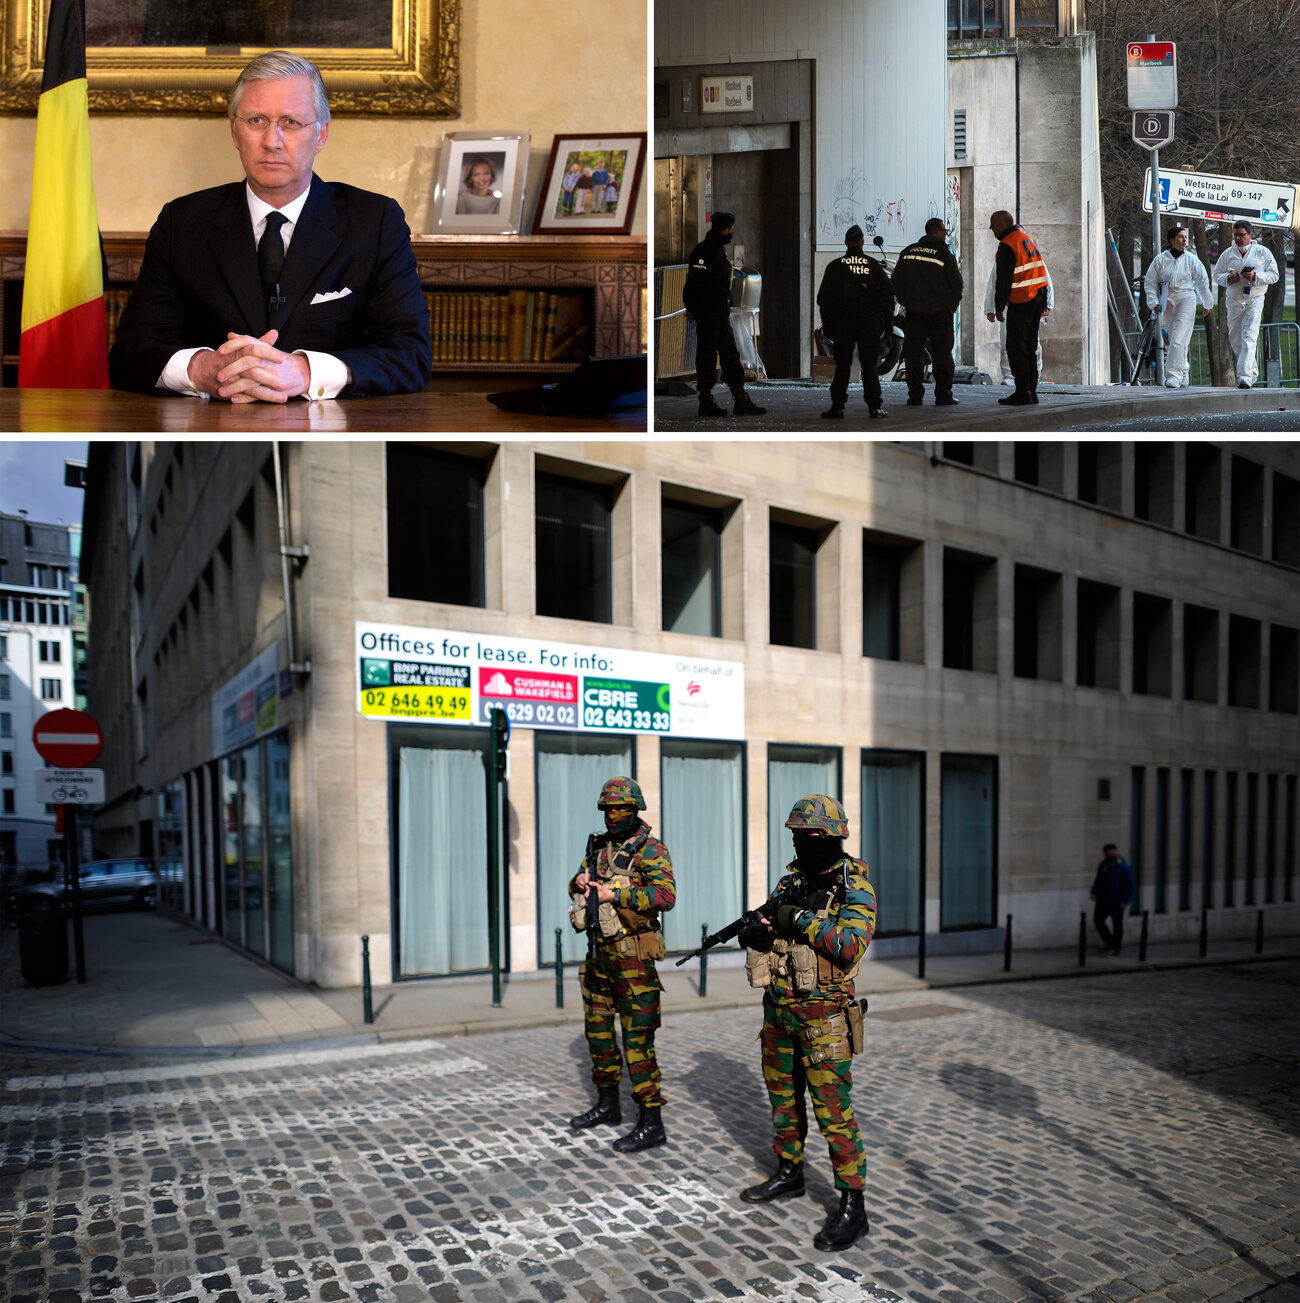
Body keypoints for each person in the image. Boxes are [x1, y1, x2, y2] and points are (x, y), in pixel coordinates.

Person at [108, 50, 431, 402]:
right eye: (256, 121)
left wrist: (305, 373)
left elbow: (409, 356)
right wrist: (203, 369)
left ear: (321, 135)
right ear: (235, 131)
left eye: (291, 122)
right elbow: (130, 355)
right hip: (210, 427)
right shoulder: (182, 223)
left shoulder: (376, 223)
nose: (272, 141)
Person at [738, 795, 876, 1253]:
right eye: (796, 835)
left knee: (833, 1113)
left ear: (834, 837)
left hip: (825, 1017)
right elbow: (767, 921)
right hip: (778, 1009)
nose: (801, 843)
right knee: (783, 1099)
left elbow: (850, 945)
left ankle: (853, 1206)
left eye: (810, 836)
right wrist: (756, 930)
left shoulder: (855, 886)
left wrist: (797, 917)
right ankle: (789, 1172)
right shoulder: (792, 879)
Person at [568, 776, 675, 1153]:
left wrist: (618, 893)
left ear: (634, 811)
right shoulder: (598, 847)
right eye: (608, 810)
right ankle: (607, 1105)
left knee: (637, 1043)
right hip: (598, 956)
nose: (613, 816)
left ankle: (651, 1122)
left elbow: (665, 896)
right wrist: (579, 881)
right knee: (597, 1034)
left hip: (634, 960)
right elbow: (575, 884)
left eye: (621, 810)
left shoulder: (650, 849)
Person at [682, 211, 766, 417]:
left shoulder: (717, 250)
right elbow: (693, 282)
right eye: (730, 229)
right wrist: (691, 307)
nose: (732, 232)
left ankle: (740, 398)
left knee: (729, 355)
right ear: (725, 229)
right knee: (708, 356)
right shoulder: (704, 252)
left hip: (719, 312)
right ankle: (707, 400)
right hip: (708, 312)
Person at [816, 224, 894, 421]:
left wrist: (829, 324)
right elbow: (888, 295)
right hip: (869, 323)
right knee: (869, 366)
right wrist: (885, 324)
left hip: (843, 324)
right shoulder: (873, 265)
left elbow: (823, 299)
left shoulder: (835, 266)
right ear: (862, 242)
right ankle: (875, 408)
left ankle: (837, 407)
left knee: (842, 365)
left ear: (845, 242)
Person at [891, 217, 963, 407]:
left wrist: (907, 302)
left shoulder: (908, 252)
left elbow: (896, 281)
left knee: (913, 355)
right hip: (940, 314)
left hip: (915, 313)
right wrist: (951, 307)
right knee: (942, 355)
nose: (946, 234)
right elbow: (957, 285)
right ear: (936, 232)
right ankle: (943, 395)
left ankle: (915, 396)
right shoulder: (943, 255)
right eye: (944, 230)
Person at [990, 209, 1049, 406]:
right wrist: (1045, 300)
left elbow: (1003, 281)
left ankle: (1023, 392)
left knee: (1016, 347)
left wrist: (998, 307)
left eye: (993, 224)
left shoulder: (1007, 245)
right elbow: (1042, 272)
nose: (991, 228)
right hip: (1037, 298)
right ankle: (1032, 391)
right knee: (1030, 346)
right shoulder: (1027, 239)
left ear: (1002, 224)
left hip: (1022, 301)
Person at [1143, 224, 1214, 389]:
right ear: (1172, 240)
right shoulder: (1160, 260)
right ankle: (1184, 371)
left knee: (1179, 338)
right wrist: (1154, 303)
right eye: (1180, 237)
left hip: (1186, 299)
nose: (1184, 240)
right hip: (1166, 300)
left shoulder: (1191, 259)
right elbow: (1150, 282)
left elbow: (1203, 281)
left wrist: (1207, 302)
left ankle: (1173, 376)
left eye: (1185, 237)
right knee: (1170, 339)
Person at [1212, 220, 1280, 389]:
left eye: (1242, 235)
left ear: (1250, 235)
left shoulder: (1263, 253)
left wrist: (1256, 276)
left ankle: (1244, 376)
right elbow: (1217, 274)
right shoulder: (1228, 254)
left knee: (1249, 336)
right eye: (1236, 235)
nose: (1238, 239)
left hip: (1255, 299)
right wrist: (1228, 279)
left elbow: (1274, 275)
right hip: (1234, 300)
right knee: (1236, 340)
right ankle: (1252, 372)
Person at [985, 260, 1053, 386]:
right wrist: (990, 308)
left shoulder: (1026, 250)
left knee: (1031, 343)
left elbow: (1044, 277)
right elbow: (994, 281)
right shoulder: (1005, 252)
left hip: (1029, 303)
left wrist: (1048, 303)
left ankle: (1034, 375)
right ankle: (1010, 376)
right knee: (1008, 341)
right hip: (1011, 304)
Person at [1089, 843, 1134, 956]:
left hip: (1117, 902)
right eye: (1107, 852)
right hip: (1103, 900)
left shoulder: (1123, 866)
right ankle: (1110, 943)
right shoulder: (1103, 865)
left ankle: (1115, 947)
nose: (1109, 853)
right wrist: (1093, 891)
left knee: (1117, 924)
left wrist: (1124, 901)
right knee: (1098, 921)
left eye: (1111, 851)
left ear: (1115, 851)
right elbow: (1098, 879)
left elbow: (1129, 885)